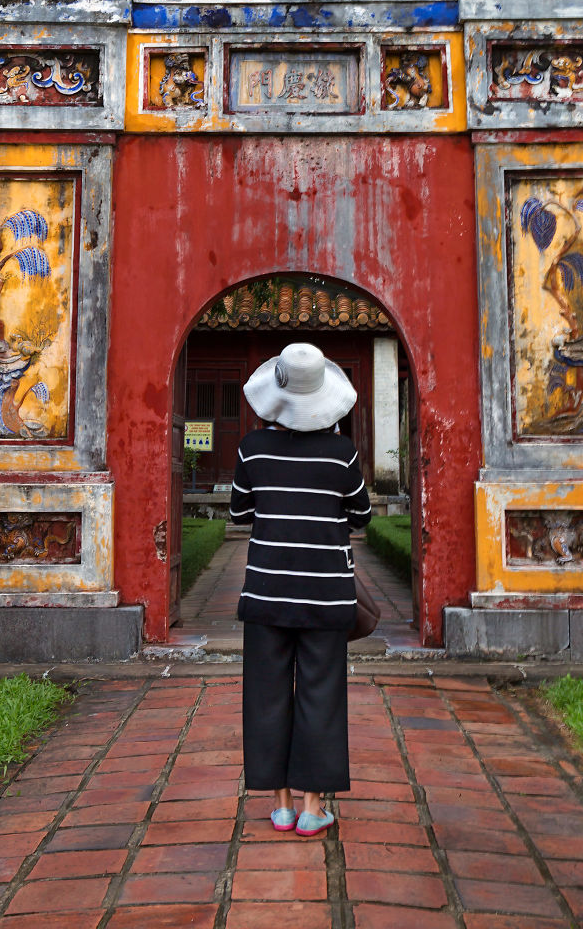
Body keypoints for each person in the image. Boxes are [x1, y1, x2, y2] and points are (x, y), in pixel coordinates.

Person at [230, 341, 372, 836]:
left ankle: (282, 805)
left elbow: (239, 514)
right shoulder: (342, 453)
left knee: (267, 695)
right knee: (321, 695)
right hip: (326, 595)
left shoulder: (252, 449)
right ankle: (314, 808)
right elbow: (361, 515)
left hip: (267, 591)